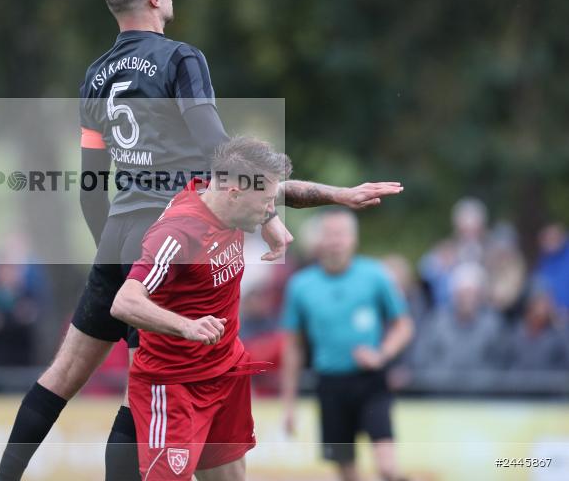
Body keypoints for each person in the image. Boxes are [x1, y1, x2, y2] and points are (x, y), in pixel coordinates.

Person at [0, 0, 404, 481]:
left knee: (62, 375)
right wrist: (266, 214)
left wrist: (114, 254)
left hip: (117, 234)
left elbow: (90, 189)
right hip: (175, 237)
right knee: (145, 386)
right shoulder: (181, 59)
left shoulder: (95, 75)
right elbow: (221, 154)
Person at [110, 137, 290, 480]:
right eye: (266, 202)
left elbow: (288, 192)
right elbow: (125, 301)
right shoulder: (178, 233)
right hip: (175, 385)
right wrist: (186, 326)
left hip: (226, 372)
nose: (270, 211)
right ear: (235, 192)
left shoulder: (223, 198)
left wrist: (344, 196)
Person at [280, 210, 413, 481]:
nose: (334, 241)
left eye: (340, 234)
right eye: (328, 234)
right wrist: (289, 404)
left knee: (387, 468)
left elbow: (404, 325)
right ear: (318, 241)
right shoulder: (300, 286)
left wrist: (382, 354)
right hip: (329, 384)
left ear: (354, 239)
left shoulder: (375, 275)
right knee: (346, 471)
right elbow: (292, 346)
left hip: (370, 382)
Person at [411, 262, 505, 379]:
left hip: (482, 394)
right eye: (463, 293)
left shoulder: (493, 324)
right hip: (440, 392)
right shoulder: (436, 321)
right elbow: (421, 358)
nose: (467, 299)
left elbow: (502, 363)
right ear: (454, 294)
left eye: (472, 293)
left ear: (480, 295)